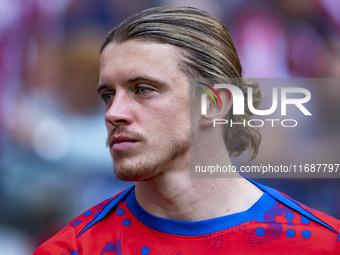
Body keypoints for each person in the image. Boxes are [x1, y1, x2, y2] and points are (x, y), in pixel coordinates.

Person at [33, 6, 340, 254]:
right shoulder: (72, 249)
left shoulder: (320, 244)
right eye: (108, 95)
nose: (114, 113)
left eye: (142, 90)